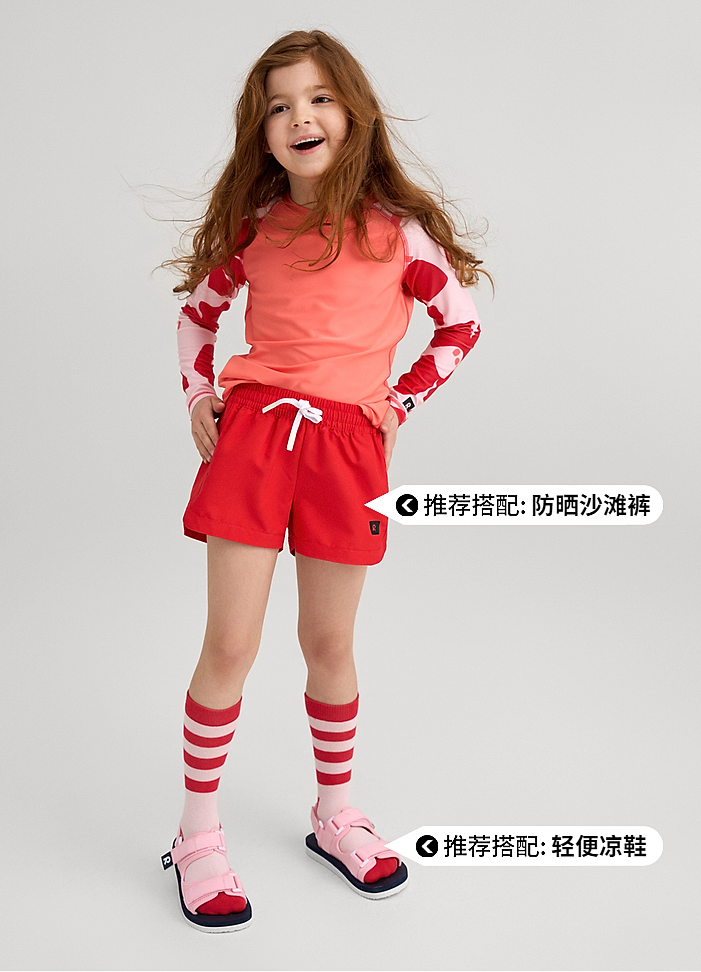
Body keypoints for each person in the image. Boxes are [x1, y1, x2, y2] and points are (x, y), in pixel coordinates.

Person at [159, 29, 488, 932]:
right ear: (261, 132)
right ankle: (196, 835)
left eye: (317, 98)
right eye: (277, 106)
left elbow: (459, 326)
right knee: (231, 644)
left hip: (348, 448)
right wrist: (197, 396)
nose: (299, 117)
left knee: (330, 644)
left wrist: (401, 401)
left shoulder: (397, 233)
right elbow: (196, 319)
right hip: (257, 438)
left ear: (352, 113)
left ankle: (335, 813)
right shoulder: (256, 229)